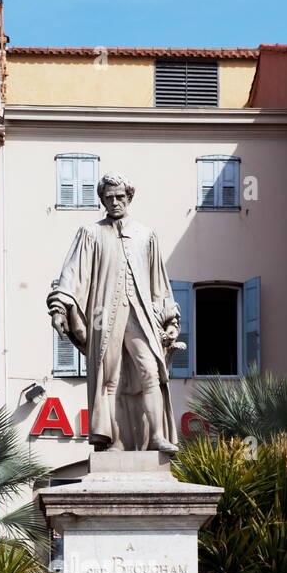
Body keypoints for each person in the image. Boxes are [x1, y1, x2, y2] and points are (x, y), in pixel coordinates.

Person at [48, 172, 181, 453]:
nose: (115, 202)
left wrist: (170, 319)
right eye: (109, 198)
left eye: (120, 197)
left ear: (129, 197)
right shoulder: (91, 233)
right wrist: (60, 307)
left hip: (141, 316)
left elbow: (160, 284)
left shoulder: (146, 235)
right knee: (110, 379)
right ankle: (115, 441)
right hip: (103, 315)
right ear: (102, 200)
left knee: (151, 373)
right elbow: (73, 274)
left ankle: (157, 436)